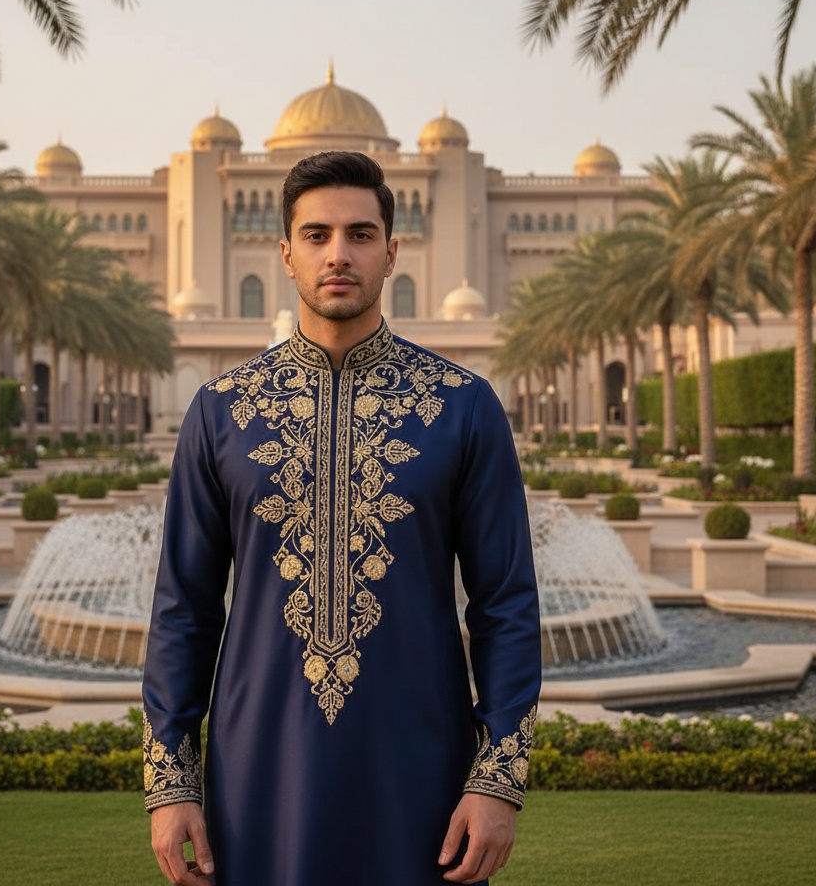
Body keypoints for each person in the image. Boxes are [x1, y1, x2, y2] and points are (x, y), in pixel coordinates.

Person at [143, 150, 541, 886]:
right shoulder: (222, 411)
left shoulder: (460, 406)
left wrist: (496, 778)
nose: (339, 254)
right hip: (257, 774)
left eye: (360, 234)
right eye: (317, 235)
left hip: (421, 771)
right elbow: (183, 610)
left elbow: (506, 605)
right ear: (285, 253)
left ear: (392, 253)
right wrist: (171, 785)